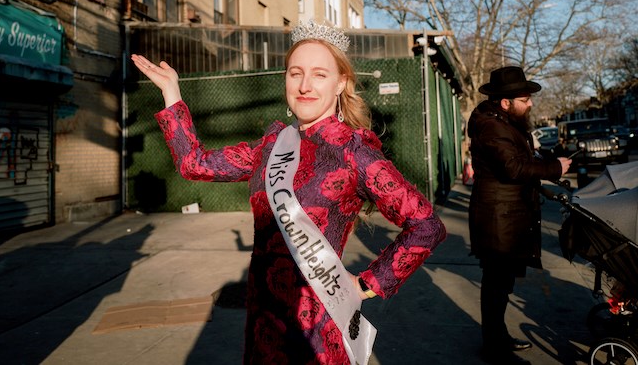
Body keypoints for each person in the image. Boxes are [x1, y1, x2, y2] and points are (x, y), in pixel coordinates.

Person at [131, 20, 447, 365]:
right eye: (295, 73)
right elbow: (195, 163)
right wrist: (171, 93)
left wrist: (366, 285)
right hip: (263, 324)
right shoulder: (272, 145)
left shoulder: (352, 150)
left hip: (316, 330)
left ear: (341, 83)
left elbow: (426, 225)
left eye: (319, 75)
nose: (305, 85)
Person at [467, 66, 571, 365]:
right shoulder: (493, 127)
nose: (531, 104)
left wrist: (547, 161)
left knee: (501, 284)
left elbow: (520, 159)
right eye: (525, 99)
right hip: (499, 217)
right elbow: (513, 169)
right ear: (506, 102)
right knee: (497, 284)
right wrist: (555, 169)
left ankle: (497, 339)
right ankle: (494, 345)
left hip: (507, 215)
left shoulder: (503, 122)